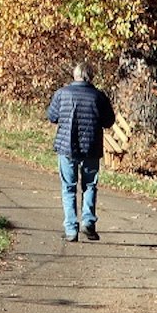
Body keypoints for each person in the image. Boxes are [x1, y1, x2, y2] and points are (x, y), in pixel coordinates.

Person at [47, 62, 116, 241]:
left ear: (75, 75)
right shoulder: (99, 96)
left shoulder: (62, 94)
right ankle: (88, 222)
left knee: (68, 187)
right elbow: (109, 121)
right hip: (91, 147)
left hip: (67, 146)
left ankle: (71, 229)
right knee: (90, 185)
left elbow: (52, 116)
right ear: (90, 77)